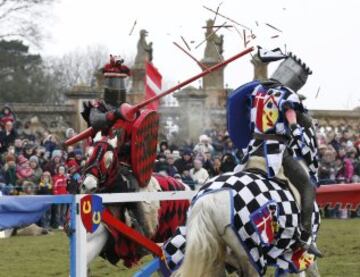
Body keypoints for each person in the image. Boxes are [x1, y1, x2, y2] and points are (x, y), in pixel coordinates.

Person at [235, 51, 322, 256]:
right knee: (308, 186)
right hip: (276, 153)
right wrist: (300, 124)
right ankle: (305, 235)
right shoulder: (288, 95)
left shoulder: (257, 91)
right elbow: (293, 118)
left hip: (252, 149)